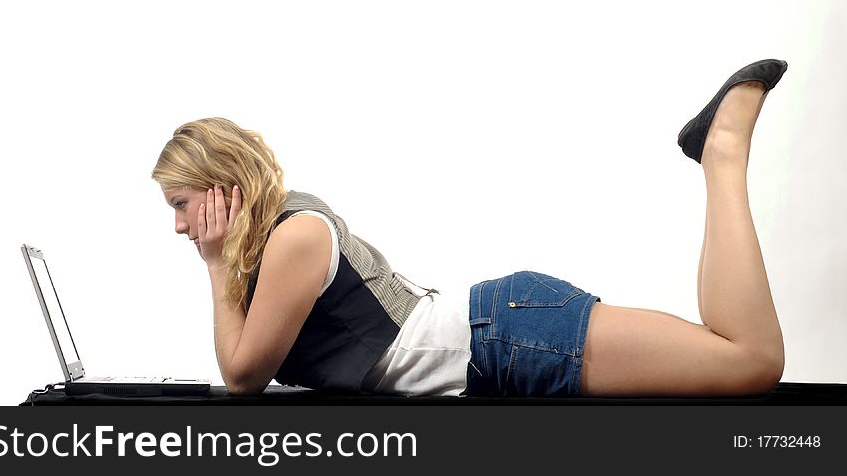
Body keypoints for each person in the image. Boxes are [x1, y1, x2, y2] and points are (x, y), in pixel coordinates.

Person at [151, 59, 788, 398]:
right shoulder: (273, 238)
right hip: (504, 335)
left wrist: (213, 263)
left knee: (749, 363)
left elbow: (243, 376)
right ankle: (716, 162)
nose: (180, 226)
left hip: (509, 339)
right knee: (736, 357)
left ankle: (723, 153)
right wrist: (225, 257)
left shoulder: (295, 235)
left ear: (222, 187)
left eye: (182, 204)